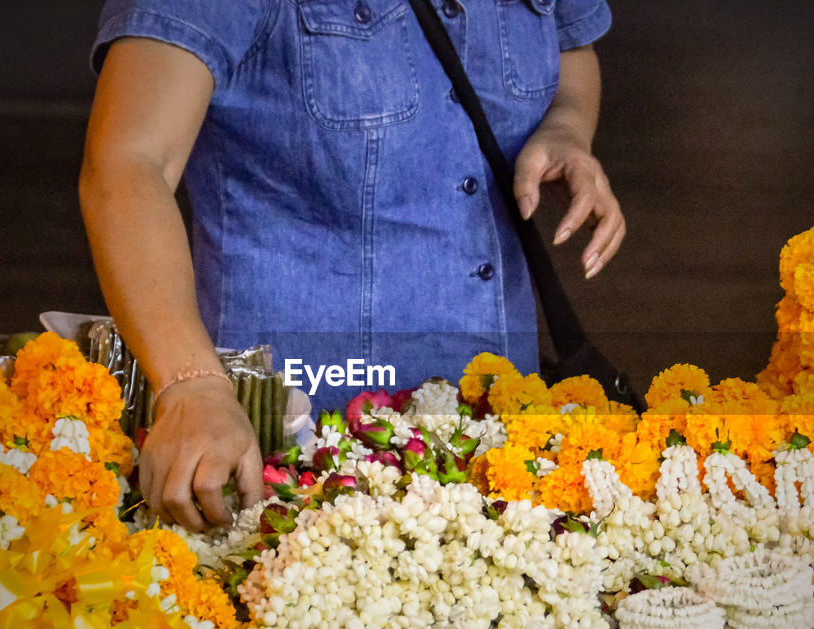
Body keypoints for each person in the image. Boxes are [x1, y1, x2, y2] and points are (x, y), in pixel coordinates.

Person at [79, 0, 625, 533]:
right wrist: (190, 385)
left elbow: (570, 45)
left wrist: (567, 129)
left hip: (501, 450)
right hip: (292, 458)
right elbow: (127, 165)